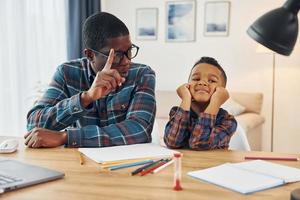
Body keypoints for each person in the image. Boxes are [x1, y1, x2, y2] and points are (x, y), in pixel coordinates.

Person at [25, 12, 156, 148]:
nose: (127, 60)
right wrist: (85, 98)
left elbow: (140, 130)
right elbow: (34, 124)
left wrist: (67, 137)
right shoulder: (67, 73)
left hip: (127, 163)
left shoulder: (142, 74)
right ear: (90, 55)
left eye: (129, 51)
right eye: (116, 55)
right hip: (80, 163)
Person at [164, 57, 237, 150]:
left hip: (214, 164)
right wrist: (186, 98)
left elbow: (198, 143)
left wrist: (216, 102)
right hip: (184, 164)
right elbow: (172, 142)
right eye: (196, 79)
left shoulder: (227, 121)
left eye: (212, 81)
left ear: (222, 91)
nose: (202, 82)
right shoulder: (177, 112)